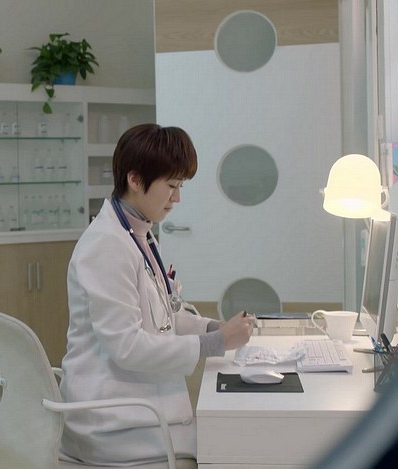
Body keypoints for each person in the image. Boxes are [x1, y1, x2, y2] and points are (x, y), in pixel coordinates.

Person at [59, 123, 254, 466]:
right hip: (113, 423)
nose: (177, 198)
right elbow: (128, 346)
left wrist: (214, 328)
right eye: (172, 186)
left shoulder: (139, 235)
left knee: (230, 437)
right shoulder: (106, 246)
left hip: (137, 406)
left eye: (181, 186)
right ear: (135, 180)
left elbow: (164, 315)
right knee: (231, 447)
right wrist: (215, 343)